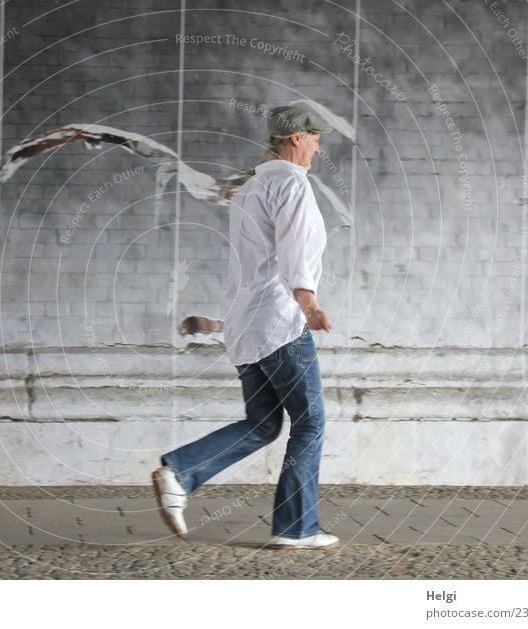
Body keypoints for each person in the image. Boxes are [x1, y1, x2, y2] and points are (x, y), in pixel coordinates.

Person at [152, 104, 338, 549]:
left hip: (247, 328)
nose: (318, 145)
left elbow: (250, 265)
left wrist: (222, 320)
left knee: (262, 424)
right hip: (280, 324)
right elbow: (293, 254)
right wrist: (307, 302)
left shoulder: (253, 187)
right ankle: (296, 529)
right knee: (310, 423)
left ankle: (180, 472)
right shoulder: (292, 185)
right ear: (297, 138)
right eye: (315, 137)